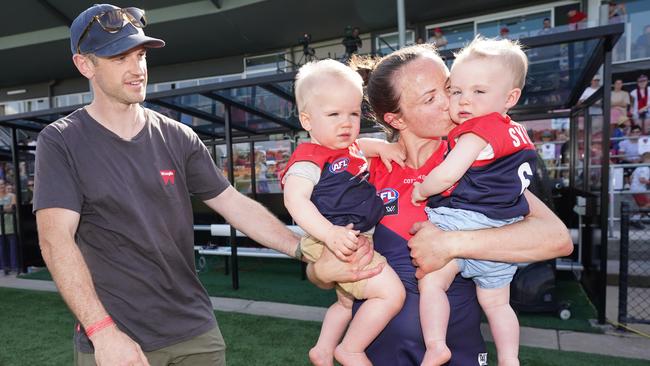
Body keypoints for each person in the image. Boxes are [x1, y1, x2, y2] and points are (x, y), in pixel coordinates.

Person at [33, 5, 381, 366]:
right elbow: (55, 239)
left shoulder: (178, 137)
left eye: (139, 55)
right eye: (120, 57)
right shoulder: (61, 141)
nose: (137, 69)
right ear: (85, 65)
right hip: (115, 339)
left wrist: (303, 248)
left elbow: (233, 203)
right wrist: (102, 331)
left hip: (195, 332)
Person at [309, 44, 573, 365]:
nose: (453, 102)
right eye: (431, 98)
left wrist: (451, 243)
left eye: (448, 87)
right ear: (396, 118)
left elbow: (556, 239)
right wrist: (321, 271)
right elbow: (316, 261)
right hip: (379, 356)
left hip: (457, 355)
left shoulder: (474, 161)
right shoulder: (367, 171)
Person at [409, 37, 532, 366]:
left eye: (479, 92)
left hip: (465, 220)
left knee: (432, 281)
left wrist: (421, 190)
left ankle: (435, 344)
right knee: (497, 305)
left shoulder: (478, 130)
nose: (464, 101)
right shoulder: (516, 132)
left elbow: (448, 175)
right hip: (503, 229)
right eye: (457, 91)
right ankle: (509, 358)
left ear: (510, 97)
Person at [282, 59, 406, 366]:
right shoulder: (308, 159)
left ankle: (323, 348)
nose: (346, 122)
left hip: (347, 235)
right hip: (337, 237)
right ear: (307, 120)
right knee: (391, 294)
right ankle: (351, 349)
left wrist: (384, 148)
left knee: (345, 302)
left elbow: (362, 145)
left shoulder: (346, 147)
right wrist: (329, 234)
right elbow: (295, 201)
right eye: (334, 114)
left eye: (353, 113)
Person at [0, 180, 17, 275]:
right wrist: (6, 208)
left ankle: (14, 266)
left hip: (11, 225)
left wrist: (5, 208)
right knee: (2, 248)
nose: (1, 186)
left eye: (3, 184)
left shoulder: (12, 196)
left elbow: (12, 207)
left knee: (13, 247)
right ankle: (4, 267)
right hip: (0, 228)